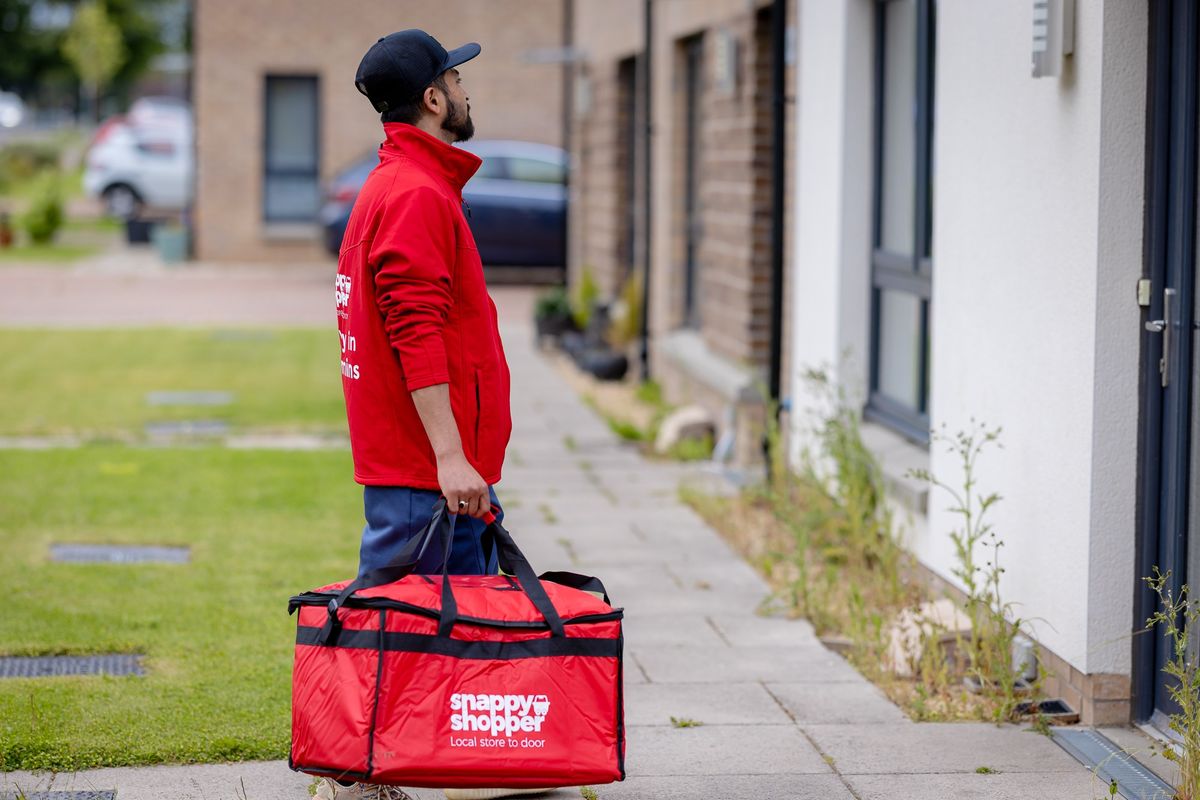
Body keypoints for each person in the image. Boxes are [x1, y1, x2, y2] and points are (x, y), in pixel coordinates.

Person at [316, 29, 546, 800]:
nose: (466, 87)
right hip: (425, 464)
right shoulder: (413, 193)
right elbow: (413, 328)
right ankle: (359, 762)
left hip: (429, 461)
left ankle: (460, 757)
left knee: (458, 608)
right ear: (434, 98)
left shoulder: (407, 183)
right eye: (456, 75)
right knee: (400, 609)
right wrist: (450, 456)